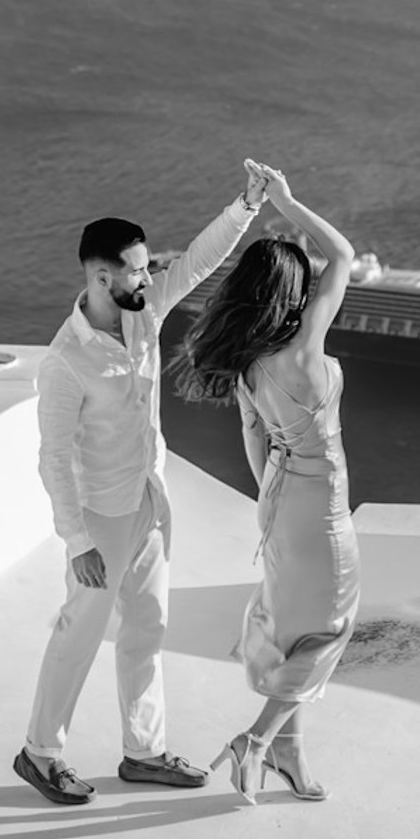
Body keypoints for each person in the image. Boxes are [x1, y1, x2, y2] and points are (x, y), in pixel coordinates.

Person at [14, 158, 268, 807]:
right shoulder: (67, 363)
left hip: (151, 501)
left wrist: (245, 206)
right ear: (101, 277)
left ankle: (144, 753)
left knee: (147, 630)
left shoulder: (144, 308)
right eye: (136, 268)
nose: (150, 274)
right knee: (78, 635)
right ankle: (40, 755)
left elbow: (198, 265)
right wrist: (77, 542)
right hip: (99, 518)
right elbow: (52, 458)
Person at [171, 169, 360, 802]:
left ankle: (289, 751)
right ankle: (253, 741)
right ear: (292, 292)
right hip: (320, 504)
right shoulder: (305, 349)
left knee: (293, 625)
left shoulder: (247, 365)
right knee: (330, 627)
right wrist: (284, 200)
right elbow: (345, 254)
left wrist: (272, 502)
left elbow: (255, 440)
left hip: (277, 499)